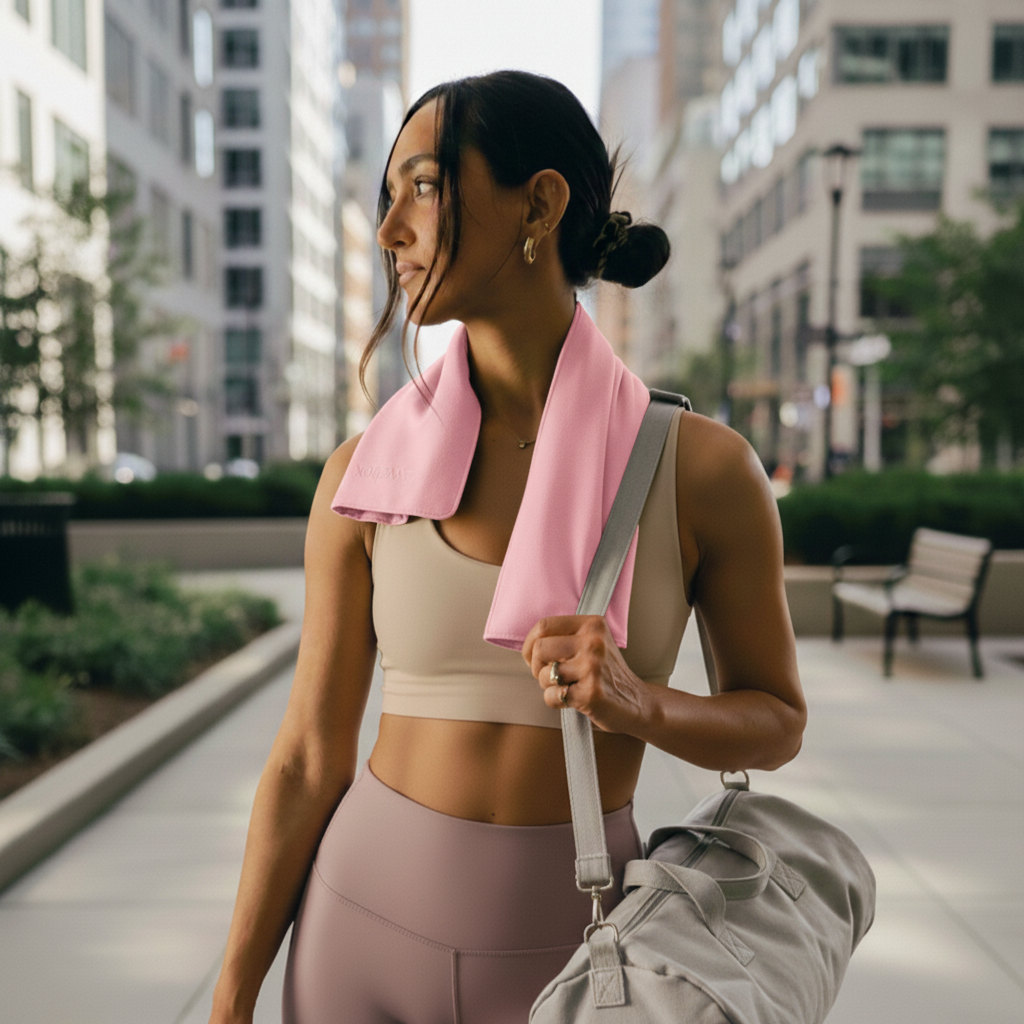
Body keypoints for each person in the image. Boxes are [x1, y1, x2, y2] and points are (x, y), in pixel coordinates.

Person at [208, 71, 806, 1024]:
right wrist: (233, 993)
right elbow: (307, 759)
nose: (389, 228)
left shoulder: (700, 470)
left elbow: (776, 720)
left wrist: (639, 703)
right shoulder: (361, 476)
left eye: (425, 186)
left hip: (577, 953)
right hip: (354, 930)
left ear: (540, 204)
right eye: (385, 198)